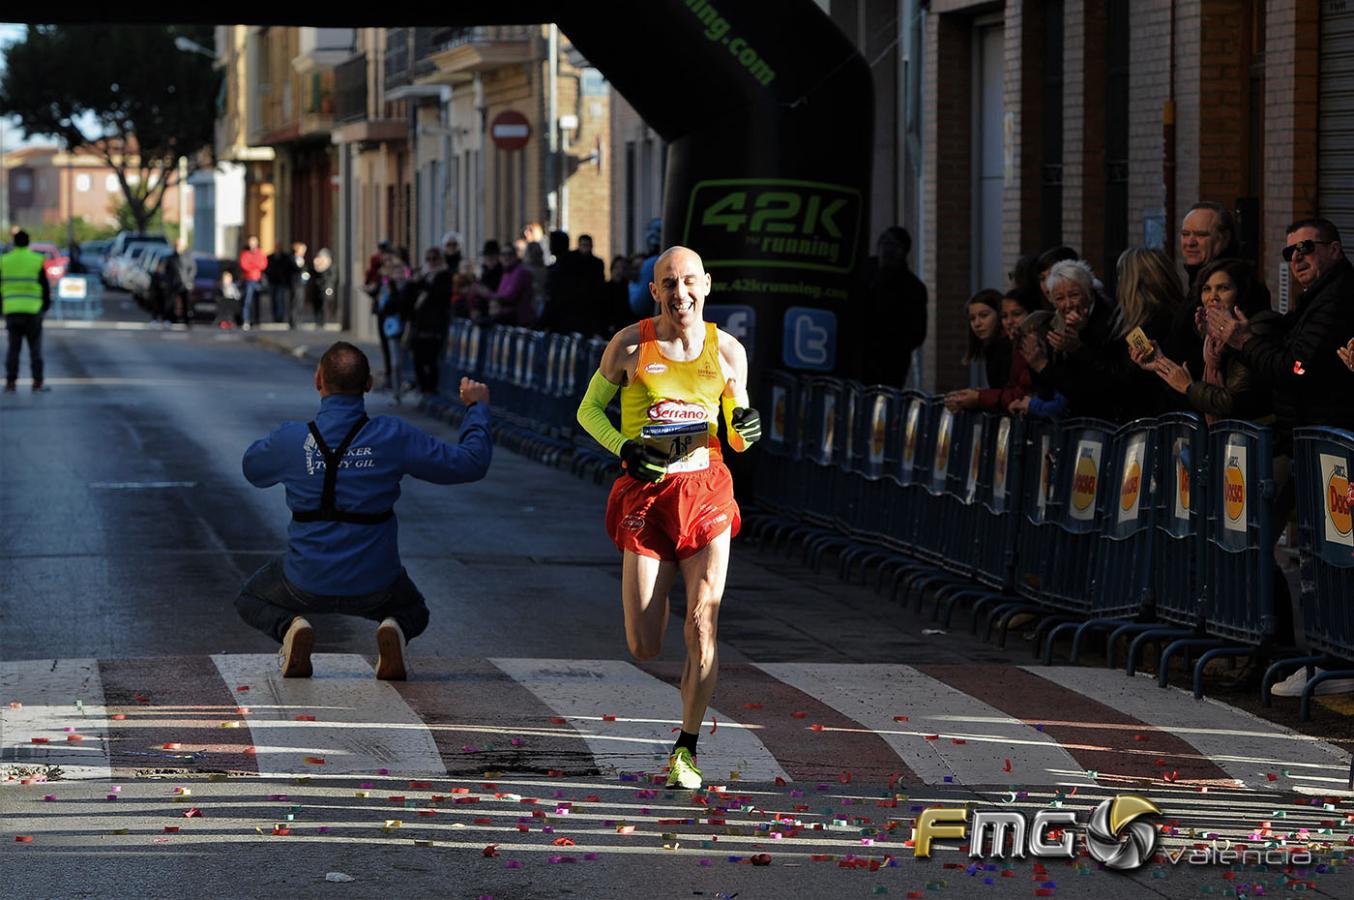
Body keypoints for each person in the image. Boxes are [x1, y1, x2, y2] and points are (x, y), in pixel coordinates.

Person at [575, 245, 762, 791]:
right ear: (655, 291)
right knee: (645, 644)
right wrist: (624, 448)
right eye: (668, 284)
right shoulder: (630, 344)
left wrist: (743, 430)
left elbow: (737, 429)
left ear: (706, 284)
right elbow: (588, 411)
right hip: (646, 498)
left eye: (688, 282)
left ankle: (687, 745)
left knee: (704, 620)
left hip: (706, 493)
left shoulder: (728, 352)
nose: (680, 293)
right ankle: (676, 705)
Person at [235, 341, 492, 680]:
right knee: (414, 610)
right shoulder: (392, 435)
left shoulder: (293, 438)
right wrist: (477, 409)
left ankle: (291, 627)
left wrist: (292, 451)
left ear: (318, 380)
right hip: (377, 583)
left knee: (250, 598)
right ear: (369, 384)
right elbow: (470, 464)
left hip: (305, 580)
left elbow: (252, 469)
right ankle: (394, 630)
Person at [1131, 257, 1276, 424]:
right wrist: (1159, 361)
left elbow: (1233, 402)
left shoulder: (1258, 327)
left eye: (1223, 288)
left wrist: (1189, 388)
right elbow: (1196, 399)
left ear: (1242, 293)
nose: (1212, 297)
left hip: (1255, 438)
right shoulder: (1210, 337)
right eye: (1206, 289)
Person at [946, 289, 1037, 413]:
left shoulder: (1010, 345)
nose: (977, 323)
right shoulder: (995, 347)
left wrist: (979, 397)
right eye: (972, 318)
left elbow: (1018, 394)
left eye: (984, 315)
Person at [857, 226, 928, 387]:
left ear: (904, 251)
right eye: (885, 244)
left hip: (891, 364)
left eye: (894, 246)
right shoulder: (865, 272)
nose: (888, 250)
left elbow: (917, 333)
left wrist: (894, 346)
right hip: (859, 358)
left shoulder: (913, 288)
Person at [2, 229, 51, 392]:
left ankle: (10, 382)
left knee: (13, 349)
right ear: (28, 242)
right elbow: (44, 286)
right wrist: (45, 306)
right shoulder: (36, 260)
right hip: (32, 311)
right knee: (35, 349)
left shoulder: (4, 260)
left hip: (12, 310)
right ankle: (37, 382)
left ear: (14, 242)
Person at [408, 246, 453, 396]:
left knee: (432, 358)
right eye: (429, 259)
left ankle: (431, 388)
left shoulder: (444, 275)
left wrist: (424, 282)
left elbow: (440, 295)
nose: (432, 262)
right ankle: (422, 386)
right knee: (417, 357)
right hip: (419, 323)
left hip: (435, 323)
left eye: (435, 259)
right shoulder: (423, 276)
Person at [474, 243, 535, 326]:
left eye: (510, 254)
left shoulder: (520, 272)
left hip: (517, 320)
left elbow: (509, 297)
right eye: (503, 254)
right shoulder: (506, 273)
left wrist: (487, 293)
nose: (506, 257)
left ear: (515, 255)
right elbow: (500, 295)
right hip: (505, 317)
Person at [239, 236, 267, 331]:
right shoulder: (245, 253)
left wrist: (253, 264)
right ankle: (246, 320)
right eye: (250, 241)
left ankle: (256, 320)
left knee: (257, 301)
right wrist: (255, 265)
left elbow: (263, 265)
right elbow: (244, 265)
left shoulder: (260, 253)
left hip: (258, 279)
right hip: (248, 280)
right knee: (247, 301)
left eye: (254, 241)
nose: (252, 243)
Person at [266, 244, 296, 327]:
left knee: (280, 299)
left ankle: (280, 317)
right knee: (273, 300)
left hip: (281, 282)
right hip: (272, 281)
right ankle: (275, 316)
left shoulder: (285, 257)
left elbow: (288, 269)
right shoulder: (270, 257)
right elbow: (266, 269)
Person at [311, 248, 337, 327]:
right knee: (316, 305)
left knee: (324, 305)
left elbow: (332, 277)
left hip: (326, 288)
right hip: (316, 289)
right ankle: (317, 320)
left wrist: (326, 283)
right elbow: (312, 275)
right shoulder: (316, 266)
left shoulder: (330, 266)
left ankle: (323, 321)